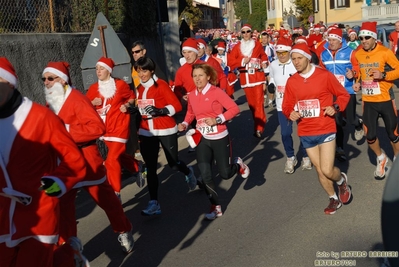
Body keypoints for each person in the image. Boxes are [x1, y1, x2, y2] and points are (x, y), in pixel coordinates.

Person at [42, 61, 134, 258]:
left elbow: (97, 128)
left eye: (51, 78)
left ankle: (123, 230)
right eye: (44, 79)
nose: (47, 82)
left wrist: (65, 131)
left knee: (109, 203)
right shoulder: (50, 102)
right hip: (64, 166)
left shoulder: (77, 99)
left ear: (63, 80)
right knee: (61, 208)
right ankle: (70, 248)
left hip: (87, 163)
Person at [0, 57, 86, 267]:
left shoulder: (41, 117)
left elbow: (74, 160)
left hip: (38, 211)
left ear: (9, 84)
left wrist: (56, 183)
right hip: (2, 215)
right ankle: (69, 256)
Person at [282, 43, 352, 215]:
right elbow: (286, 105)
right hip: (306, 131)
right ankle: (333, 198)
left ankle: (342, 180)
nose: (296, 62)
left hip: (325, 128)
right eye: (293, 59)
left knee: (328, 169)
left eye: (299, 58)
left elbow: (343, 95)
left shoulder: (324, 75)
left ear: (307, 58)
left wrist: (335, 107)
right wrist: (290, 113)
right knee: (320, 170)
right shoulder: (292, 81)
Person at [177, 63, 249, 220]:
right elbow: (190, 113)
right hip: (202, 138)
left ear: (208, 76)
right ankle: (215, 206)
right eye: (195, 76)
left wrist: (218, 119)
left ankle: (238, 165)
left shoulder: (216, 92)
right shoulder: (192, 94)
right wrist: (184, 123)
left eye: (200, 75)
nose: (197, 79)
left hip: (220, 137)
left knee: (225, 173)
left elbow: (234, 109)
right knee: (206, 174)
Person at [133, 57, 197, 216]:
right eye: (139, 71)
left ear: (152, 70)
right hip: (147, 131)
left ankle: (188, 172)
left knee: (173, 164)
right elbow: (141, 109)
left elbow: (176, 105)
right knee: (151, 167)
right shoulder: (140, 88)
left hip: (166, 129)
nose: (142, 74)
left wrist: (160, 110)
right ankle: (154, 203)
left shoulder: (160, 85)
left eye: (145, 70)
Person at [86, 57, 140, 200]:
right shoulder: (93, 89)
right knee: (119, 156)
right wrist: (92, 102)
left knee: (111, 159)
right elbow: (84, 107)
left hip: (120, 126)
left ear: (109, 71)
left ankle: (115, 191)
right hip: (105, 130)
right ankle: (137, 167)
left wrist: (127, 106)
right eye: (97, 69)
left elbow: (131, 98)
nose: (98, 71)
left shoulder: (120, 85)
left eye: (101, 68)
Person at [353, 21, 399, 179]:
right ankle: (381, 158)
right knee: (370, 135)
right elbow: (360, 72)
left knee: (393, 134)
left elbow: (398, 70)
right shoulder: (358, 54)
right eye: (361, 38)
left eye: (367, 37)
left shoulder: (385, 52)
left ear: (373, 38)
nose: (363, 41)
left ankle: (396, 161)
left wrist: (384, 75)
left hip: (385, 98)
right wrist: (357, 82)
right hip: (368, 100)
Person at [268, 38, 312, 174]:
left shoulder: (295, 63)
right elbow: (272, 77)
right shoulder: (273, 64)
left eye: (284, 53)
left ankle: (305, 156)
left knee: (303, 132)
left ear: (289, 51)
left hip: (299, 105)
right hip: (283, 105)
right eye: (279, 53)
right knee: (285, 133)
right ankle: (290, 157)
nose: (281, 56)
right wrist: (271, 84)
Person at [319, 28, 364, 162]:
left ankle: (358, 124)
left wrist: (353, 74)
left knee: (350, 119)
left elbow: (358, 67)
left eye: (334, 40)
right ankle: (340, 148)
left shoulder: (350, 52)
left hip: (347, 90)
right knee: (337, 121)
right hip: (332, 93)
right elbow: (321, 71)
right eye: (329, 40)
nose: (331, 42)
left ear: (340, 41)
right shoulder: (324, 54)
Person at [227, 24, 269, 138]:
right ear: (241, 34)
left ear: (251, 33)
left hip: (258, 78)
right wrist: (241, 62)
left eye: (248, 31)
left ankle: (259, 128)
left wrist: (265, 62)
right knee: (252, 105)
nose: (246, 34)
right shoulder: (237, 47)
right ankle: (258, 124)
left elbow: (264, 56)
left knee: (259, 103)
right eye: (243, 32)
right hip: (245, 79)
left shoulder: (257, 45)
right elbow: (230, 63)